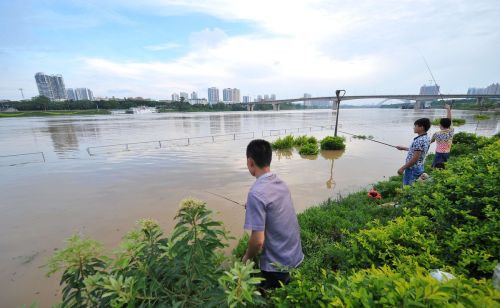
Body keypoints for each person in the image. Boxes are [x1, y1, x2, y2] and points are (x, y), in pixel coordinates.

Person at [242, 139, 304, 289]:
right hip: (296, 257)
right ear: (269, 159)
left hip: (278, 268)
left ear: (250, 163)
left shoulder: (256, 193)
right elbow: (275, 209)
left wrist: (246, 257)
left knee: (263, 295)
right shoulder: (281, 183)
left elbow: (258, 242)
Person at [396, 118, 431, 186]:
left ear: (422, 127)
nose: (414, 128)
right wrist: (403, 148)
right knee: (415, 186)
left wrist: (402, 168)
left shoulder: (419, 140)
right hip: (419, 166)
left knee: (408, 187)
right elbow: (418, 151)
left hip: (412, 169)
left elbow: (415, 159)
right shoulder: (426, 138)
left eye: (415, 126)